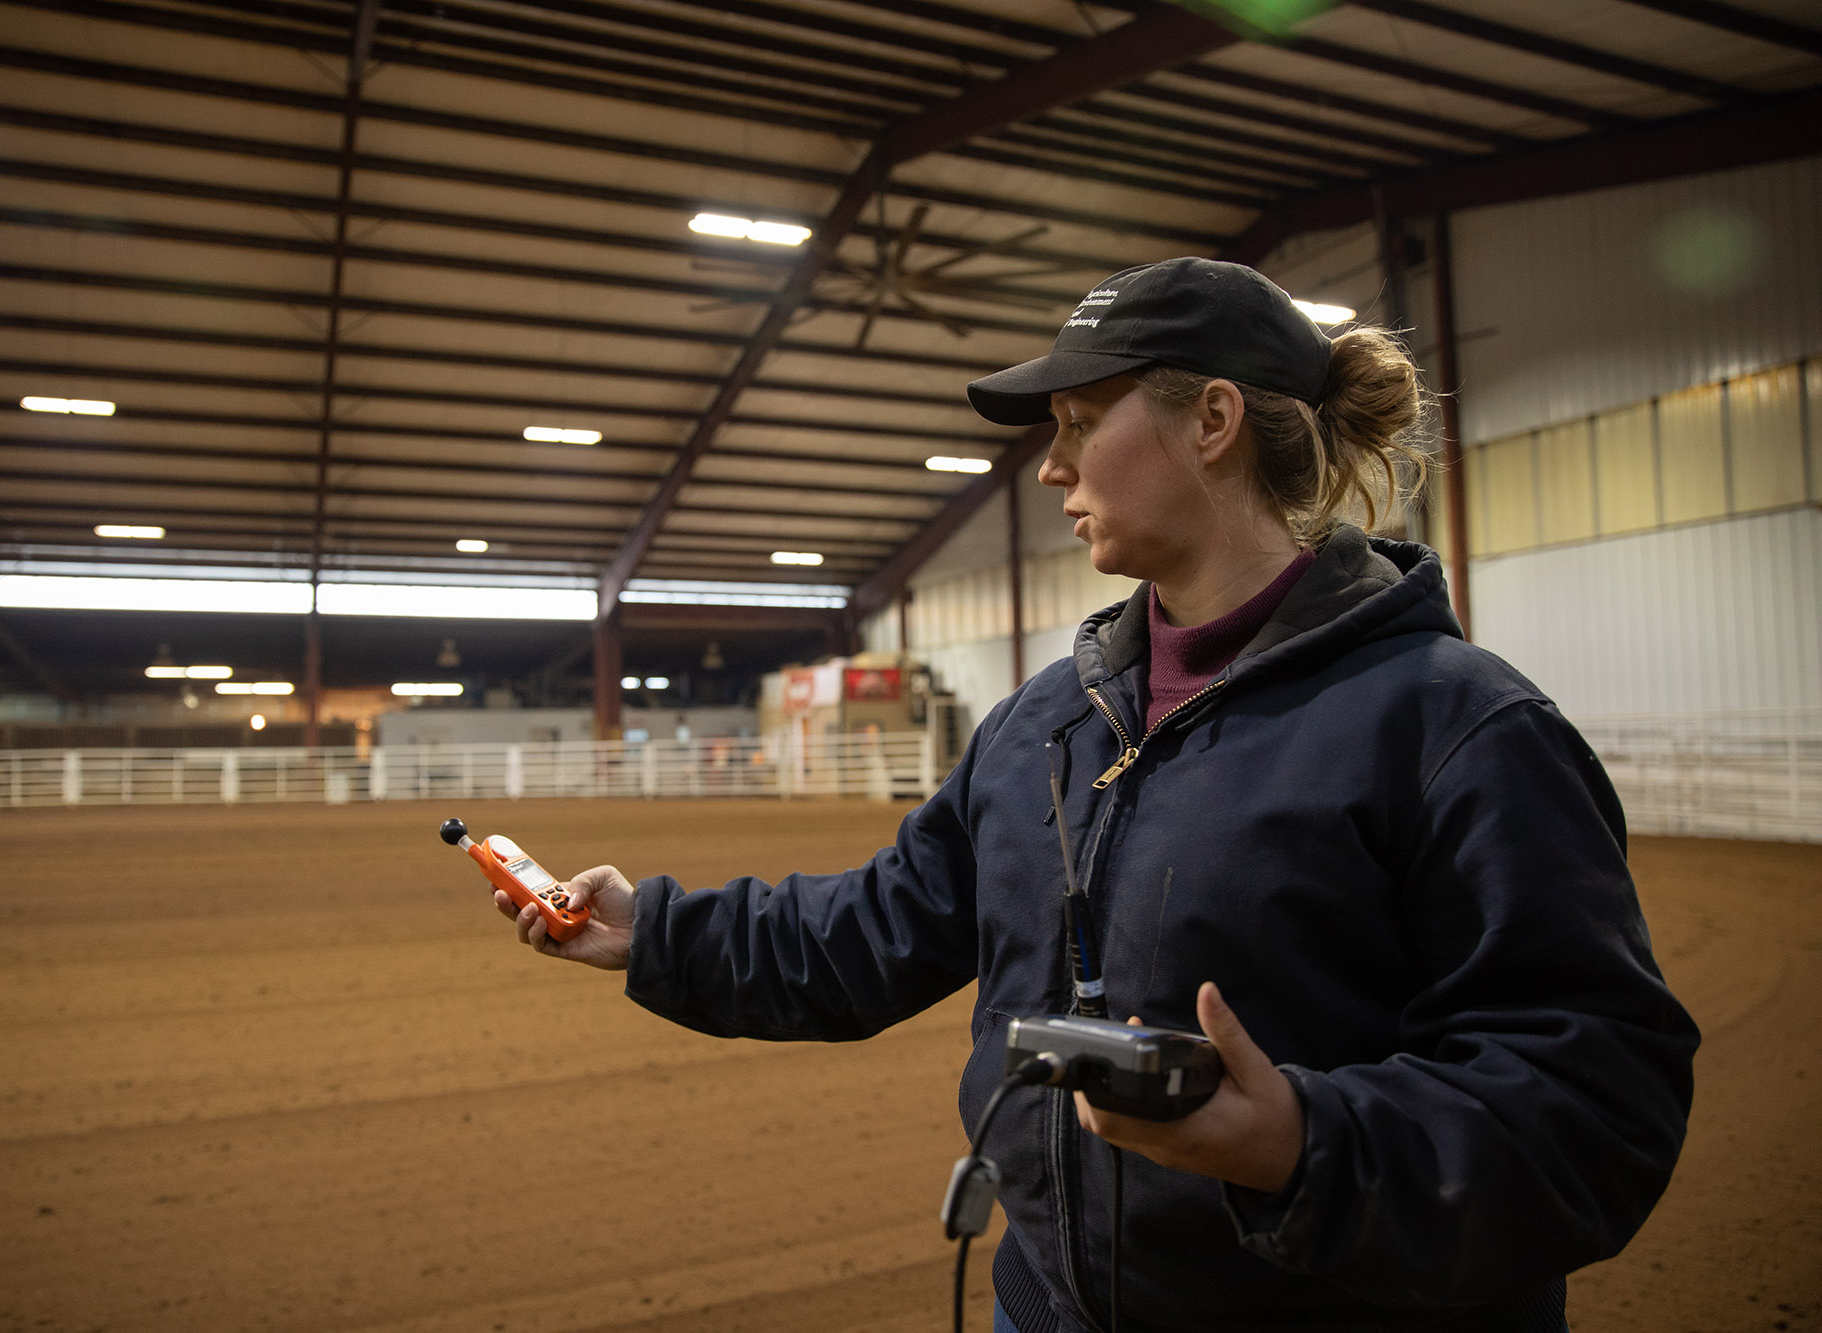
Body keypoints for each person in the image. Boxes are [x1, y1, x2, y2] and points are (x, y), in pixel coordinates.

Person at [495, 258, 1698, 1332]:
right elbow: (873, 927)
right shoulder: (1043, 724)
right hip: (1048, 1304)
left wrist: (1299, 1140)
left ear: (1212, 420)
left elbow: (1593, 1101)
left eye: (1078, 420)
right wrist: (650, 928)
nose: (1050, 465)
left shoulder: (1455, 726)